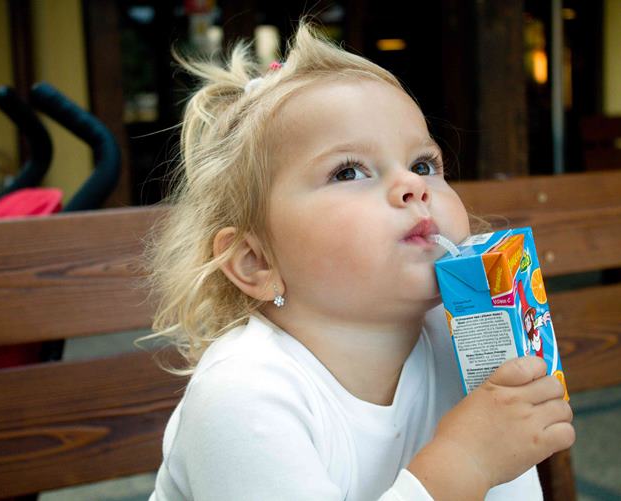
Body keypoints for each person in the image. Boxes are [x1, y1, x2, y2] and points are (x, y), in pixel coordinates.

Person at [146, 20, 574, 501]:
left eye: (423, 165)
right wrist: (467, 462)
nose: (413, 186)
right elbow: (475, 465)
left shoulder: (467, 335)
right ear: (255, 262)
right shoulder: (242, 393)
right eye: (349, 171)